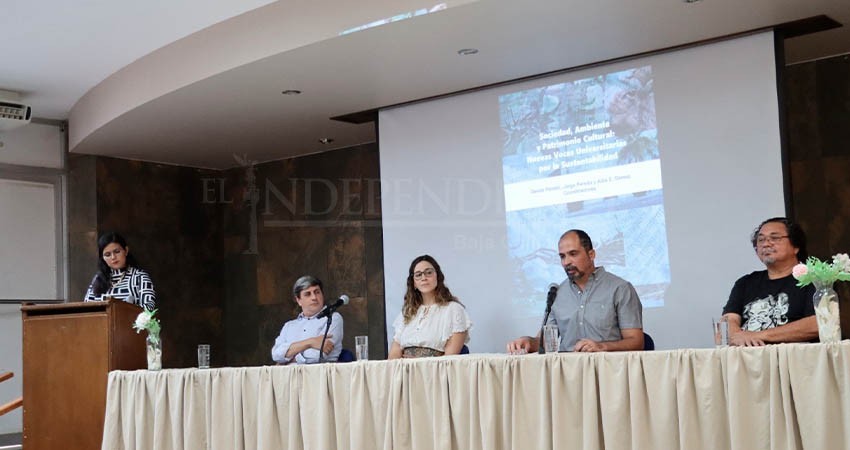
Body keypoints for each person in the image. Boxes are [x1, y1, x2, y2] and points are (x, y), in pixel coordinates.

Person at [507, 229, 644, 353]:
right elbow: (544, 342)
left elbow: (636, 341)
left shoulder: (619, 288)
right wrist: (528, 342)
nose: (566, 262)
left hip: (608, 370)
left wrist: (602, 347)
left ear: (591, 254)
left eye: (573, 254)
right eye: (562, 256)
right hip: (566, 372)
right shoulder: (558, 293)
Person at [722, 217, 817, 346]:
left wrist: (758, 336)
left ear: (796, 246)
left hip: (794, 359)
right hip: (748, 358)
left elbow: (817, 323)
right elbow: (729, 320)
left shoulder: (815, 279)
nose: (766, 244)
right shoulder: (745, 283)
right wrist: (736, 336)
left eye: (775, 238)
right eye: (760, 240)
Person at [388, 255, 472, 359]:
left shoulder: (453, 310)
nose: (424, 278)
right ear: (414, 283)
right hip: (406, 371)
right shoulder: (407, 311)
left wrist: (420, 364)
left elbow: (450, 359)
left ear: (438, 276)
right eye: (418, 275)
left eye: (428, 273)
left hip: (436, 372)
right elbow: (394, 353)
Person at [271, 275, 343, 364]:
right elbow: (276, 354)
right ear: (299, 300)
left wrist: (289, 358)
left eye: (317, 292)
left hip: (320, 375)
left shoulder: (333, 318)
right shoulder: (289, 326)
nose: (314, 297)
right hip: (290, 377)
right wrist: (310, 342)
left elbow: (319, 354)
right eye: (308, 294)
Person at [84, 231, 156, 310]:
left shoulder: (140, 277)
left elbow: (149, 310)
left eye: (117, 252)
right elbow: (86, 309)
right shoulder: (97, 279)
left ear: (126, 250)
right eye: (107, 255)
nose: (113, 257)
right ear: (102, 258)